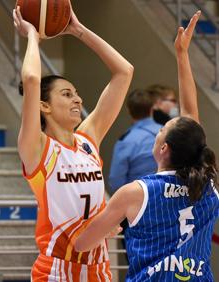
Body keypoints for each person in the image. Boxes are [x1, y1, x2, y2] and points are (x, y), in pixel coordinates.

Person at [75, 11, 219, 281]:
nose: (157, 130)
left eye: (161, 129)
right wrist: (182, 54)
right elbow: (191, 117)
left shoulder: (134, 192)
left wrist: (105, 228)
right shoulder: (207, 186)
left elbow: (82, 244)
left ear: (163, 148)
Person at [13, 4, 133, 281]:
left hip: (100, 269)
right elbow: (32, 79)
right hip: (56, 270)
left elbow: (124, 71)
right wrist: (32, 34)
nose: (78, 100)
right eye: (67, 94)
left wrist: (78, 30)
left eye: (76, 94)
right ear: (44, 106)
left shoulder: (88, 140)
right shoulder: (37, 147)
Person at [109, 89, 162, 193]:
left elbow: (116, 180)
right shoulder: (169, 131)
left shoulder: (126, 141)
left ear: (128, 110)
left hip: (139, 198)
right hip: (169, 196)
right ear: (152, 109)